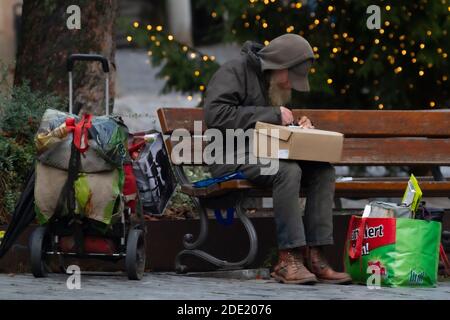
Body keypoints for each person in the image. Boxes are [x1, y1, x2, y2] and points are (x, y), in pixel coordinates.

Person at [203, 34, 352, 285]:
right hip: (229, 155)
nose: (291, 85)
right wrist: (273, 114)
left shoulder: (273, 83)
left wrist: (299, 127)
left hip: (267, 152)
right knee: (287, 170)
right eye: (290, 78)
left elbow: (271, 126)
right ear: (278, 67)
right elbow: (216, 115)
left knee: (323, 171)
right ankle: (288, 259)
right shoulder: (234, 71)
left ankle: (316, 255)